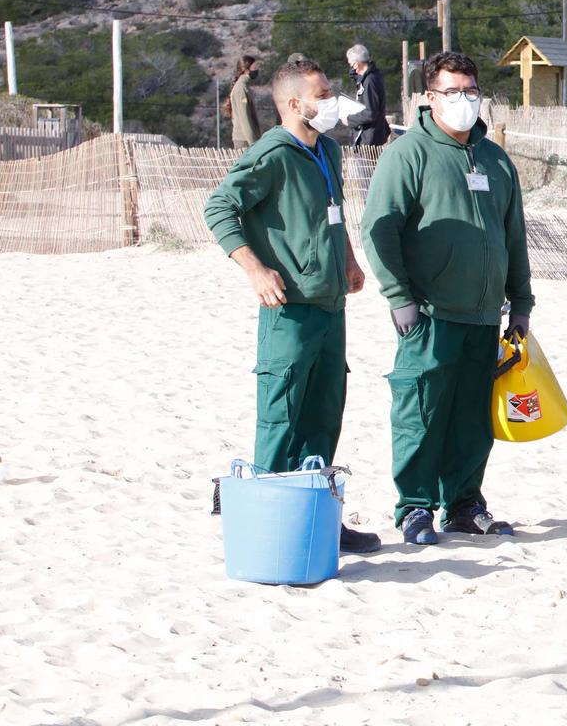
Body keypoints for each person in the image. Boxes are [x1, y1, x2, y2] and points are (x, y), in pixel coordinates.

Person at [202, 58, 381, 554]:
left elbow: (334, 212)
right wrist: (255, 270)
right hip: (289, 309)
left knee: (324, 414)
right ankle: (265, 530)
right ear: (294, 104)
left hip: (330, 306)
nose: (330, 101)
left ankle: (320, 519)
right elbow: (218, 207)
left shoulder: (328, 150)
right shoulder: (273, 153)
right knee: (281, 417)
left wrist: (347, 258)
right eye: (322, 94)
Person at [363, 50, 534, 546]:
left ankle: (463, 504)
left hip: (484, 316)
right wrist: (399, 297)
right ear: (430, 98)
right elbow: (380, 229)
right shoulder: (408, 153)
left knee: (472, 419)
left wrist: (520, 304)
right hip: (429, 315)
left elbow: (514, 236)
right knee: (420, 414)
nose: (464, 101)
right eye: (452, 92)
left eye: (471, 91)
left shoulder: (496, 159)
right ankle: (414, 507)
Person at [344, 44, 391, 147]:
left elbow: (371, 113)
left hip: (370, 138)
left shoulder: (370, 81)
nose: (352, 68)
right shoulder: (372, 76)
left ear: (357, 64)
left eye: (352, 64)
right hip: (372, 135)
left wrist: (349, 119)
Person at [223, 55, 264, 149]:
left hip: (246, 139)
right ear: (246, 69)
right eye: (254, 67)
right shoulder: (241, 88)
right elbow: (244, 118)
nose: (257, 69)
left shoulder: (244, 86)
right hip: (244, 140)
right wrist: (254, 143)